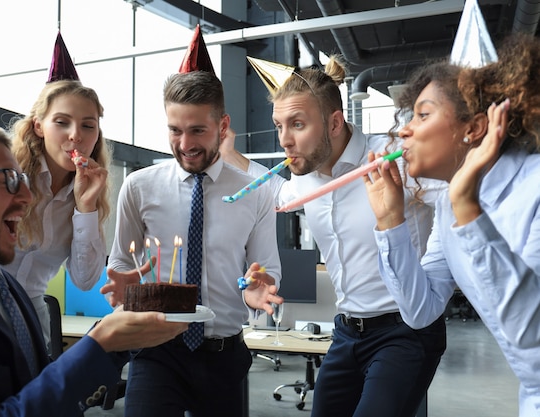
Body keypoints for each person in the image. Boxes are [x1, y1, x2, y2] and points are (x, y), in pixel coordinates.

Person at [221, 56, 446, 417]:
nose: (285, 140)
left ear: (335, 122)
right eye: (278, 126)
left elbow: (455, 189)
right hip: (346, 332)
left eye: (297, 125)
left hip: (405, 330)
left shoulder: (394, 158)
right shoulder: (304, 176)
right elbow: (276, 192)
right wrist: (228, 152)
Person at [0, 121, 187, 417]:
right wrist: (99, 345)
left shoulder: (6, 286)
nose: (27, 197)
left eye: (23, 181)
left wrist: (117, 340)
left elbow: (37, 390)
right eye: (7, 180)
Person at [363, 33, 540, 416]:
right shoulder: (447, 205)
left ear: (473, 129)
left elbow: (534, 340)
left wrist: (467, 208)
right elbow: (420, 310)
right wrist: (391, 222)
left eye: (423, 115)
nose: (405, 130)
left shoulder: (534, 189)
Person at [101, 70, 283, 417]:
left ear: (223, 125)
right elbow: (123, 263)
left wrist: (258, 291)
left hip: (222, 355)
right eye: (175, 130)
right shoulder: (139, 187)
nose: (185, 144)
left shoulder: (254, 193)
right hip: (156, 351)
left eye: (198, 130)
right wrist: (127, 284)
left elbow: (266, 267)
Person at [6, 33, 111, 349]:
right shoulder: (6, 175)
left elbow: (85, 280)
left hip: (32, 324)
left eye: (88, 125)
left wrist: (86, 207)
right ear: (39, 126)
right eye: (62, 122)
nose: (76, 136)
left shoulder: (87, 193)